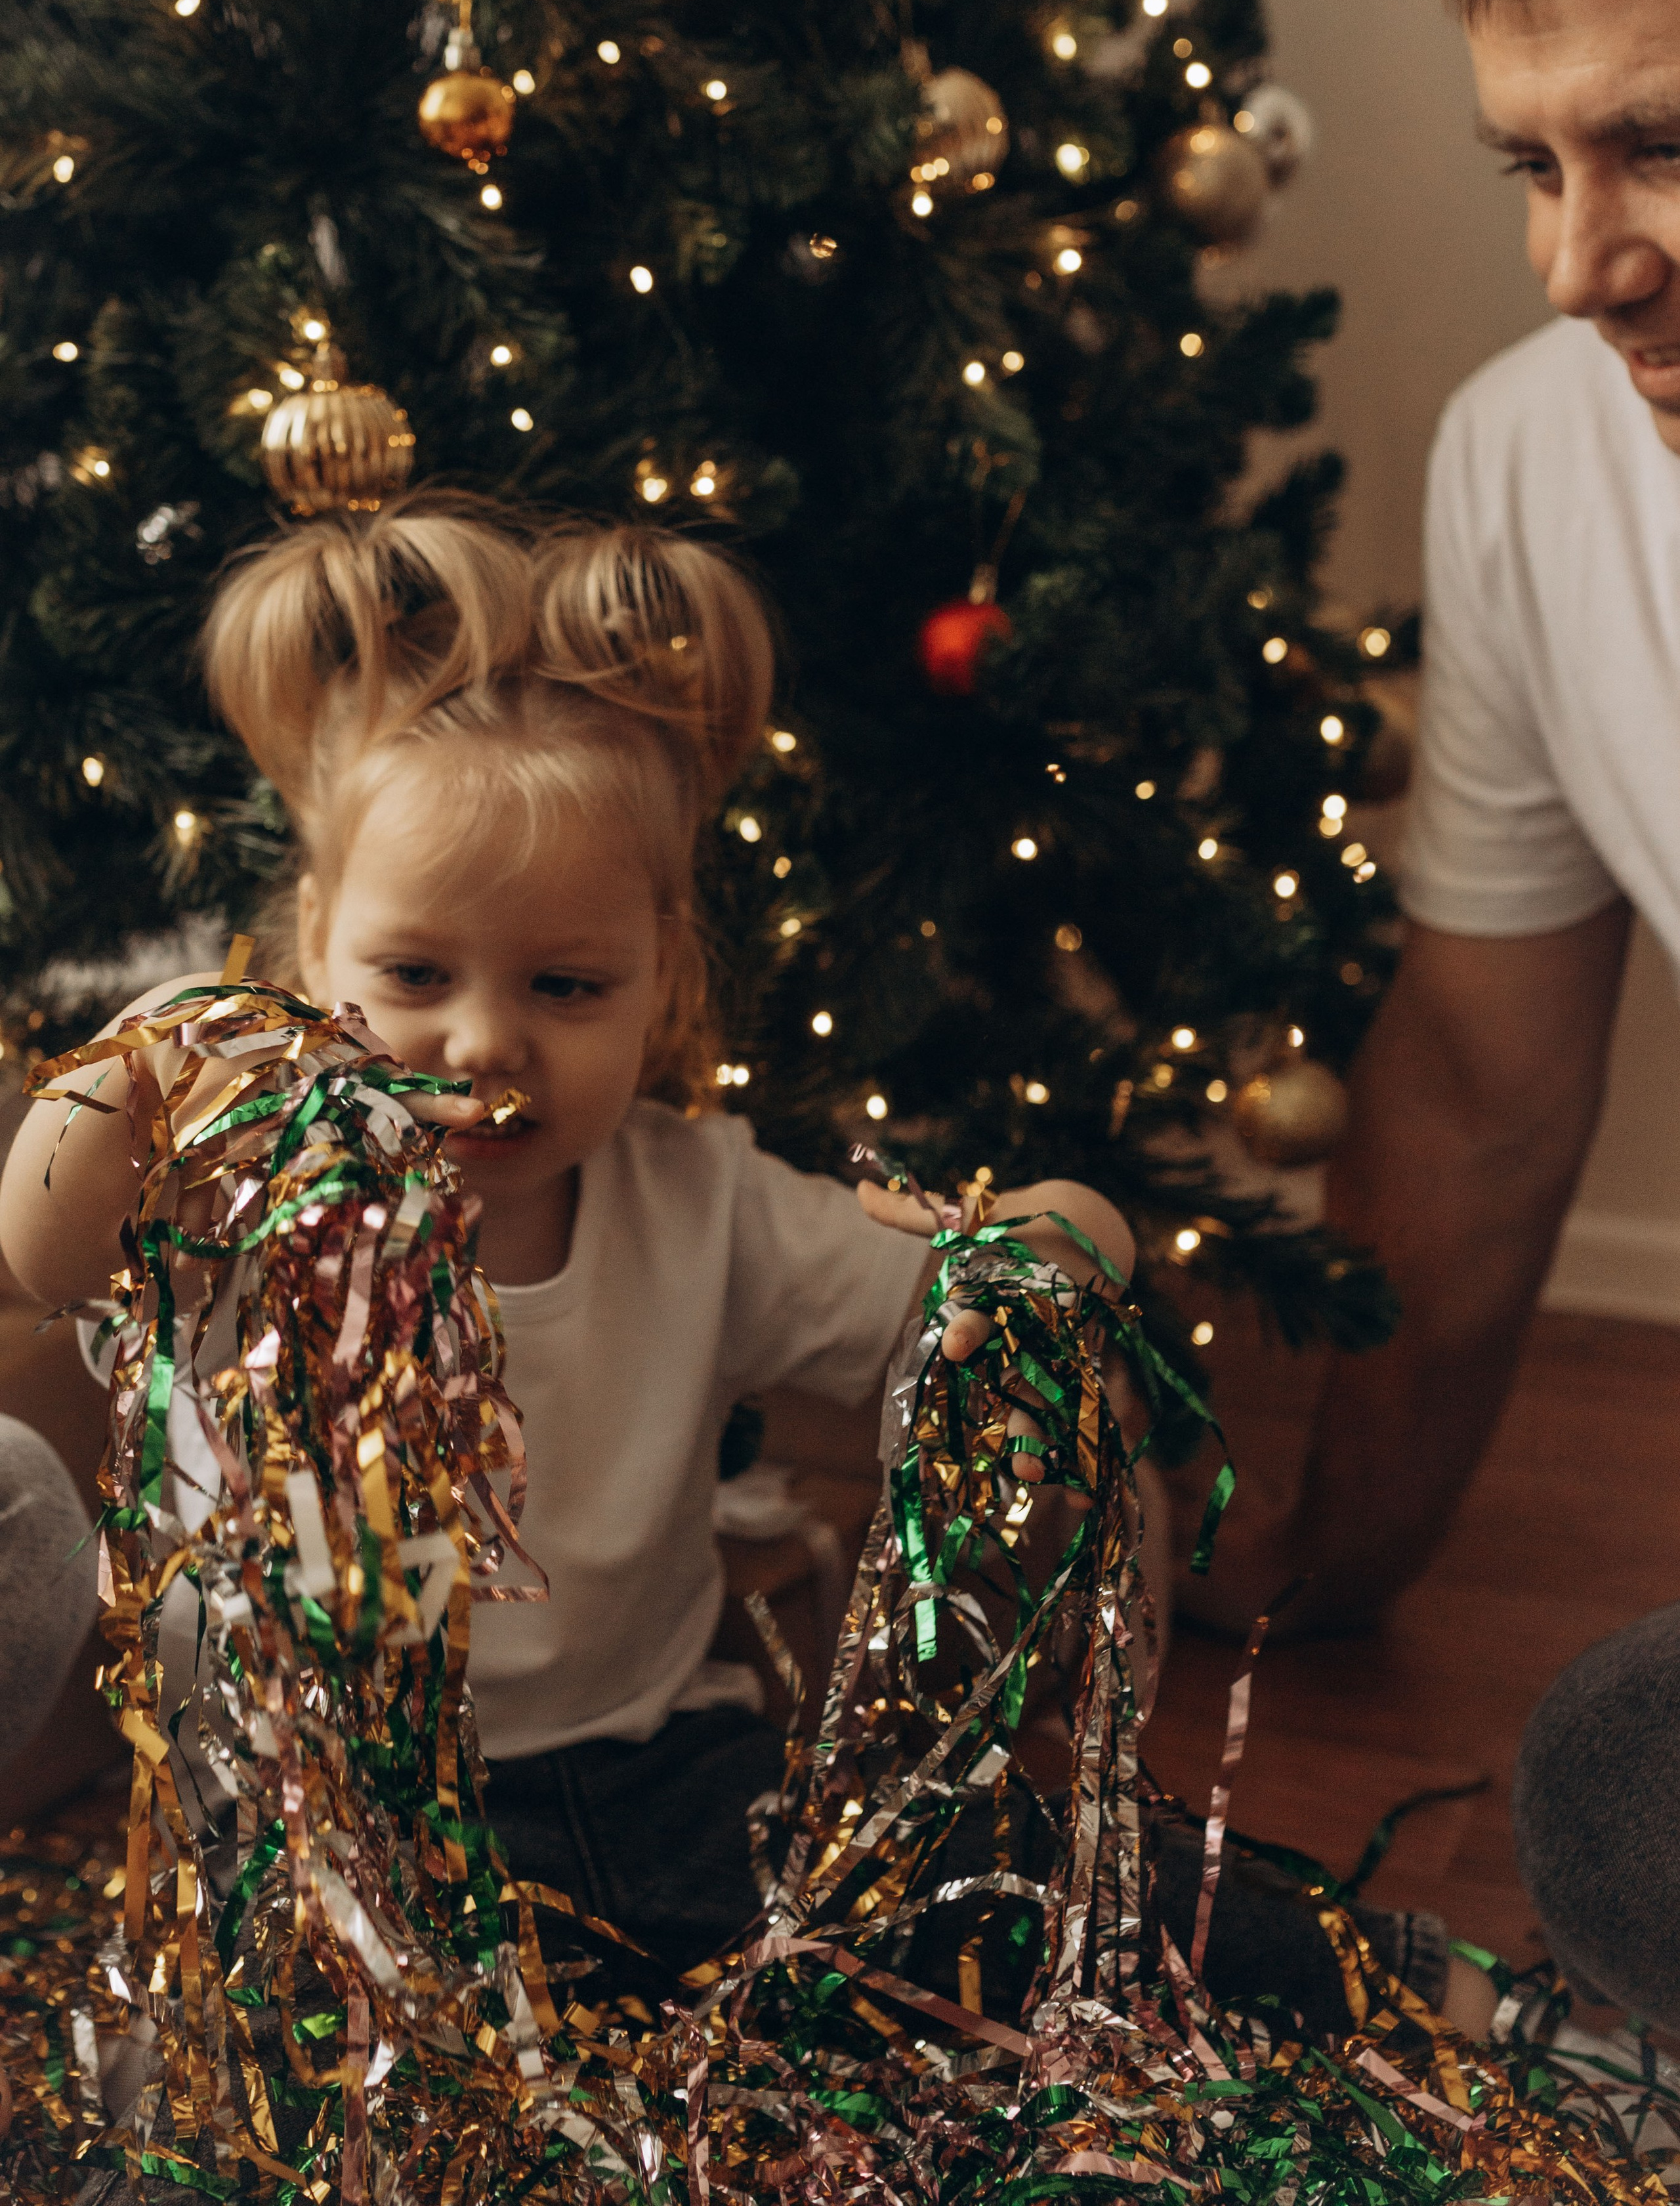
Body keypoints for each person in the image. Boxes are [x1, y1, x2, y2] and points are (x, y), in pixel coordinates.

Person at [0, 495, 1152, 1978]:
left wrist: (1070, 1238)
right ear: (311, 953)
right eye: (412, 972)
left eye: (566, 987)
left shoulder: (704, 1202)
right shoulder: (244, 1187)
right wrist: (142, 1065)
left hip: (652, 1770)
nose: (484, 1039)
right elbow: (43, 1258)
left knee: (995, 1909)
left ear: (659, 979)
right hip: (317, 1807)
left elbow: (936, 1308)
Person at [1179, 0, 1680, 1648]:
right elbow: (1480, 1087)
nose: (1579, 261)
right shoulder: (1529, 454)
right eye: (1531, 168)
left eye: (1659, 142)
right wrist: (1326, 1565)